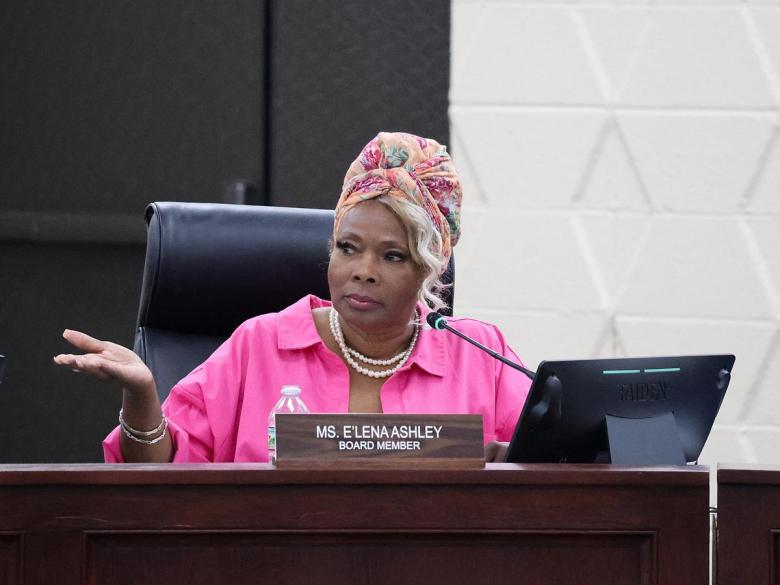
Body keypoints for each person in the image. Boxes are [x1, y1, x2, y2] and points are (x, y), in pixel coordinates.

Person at [54, 132, 531, 463]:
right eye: (348, 248)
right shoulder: (260, 345)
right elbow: (158, 476)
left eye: (392, 257)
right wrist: (142, 395)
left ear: (430, 267)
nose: (362, 272)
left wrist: (515, 463)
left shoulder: (478, 355)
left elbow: (557, 462)